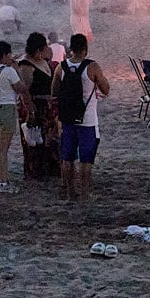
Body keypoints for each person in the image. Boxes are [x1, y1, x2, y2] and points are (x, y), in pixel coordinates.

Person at [52, 32, 110, 200]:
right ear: (85, 49)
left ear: (71, 49)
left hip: (67, 118)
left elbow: (54, 92)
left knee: (67, 157)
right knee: (86, 159)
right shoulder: (92, 67)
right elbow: (106, 89)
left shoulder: (60, 67)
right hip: (87, 119)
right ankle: (85, 193)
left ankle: (70, 193)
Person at [0, 40, 30, 195]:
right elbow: (21, 88)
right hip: (5, 109)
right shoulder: (8, 71)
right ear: (4, 55)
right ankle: (3, 182)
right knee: (2, 149)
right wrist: (17, 70)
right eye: (9, 54)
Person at [19, 32, 60, 181]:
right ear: (37, 50)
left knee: (50, 139)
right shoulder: (26, 66)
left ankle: (50, 169)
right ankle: (36, 172)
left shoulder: (42, 61)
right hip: (35, 107)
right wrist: (30, 111)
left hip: (48, 107)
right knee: (34, 140)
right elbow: (24, 91)